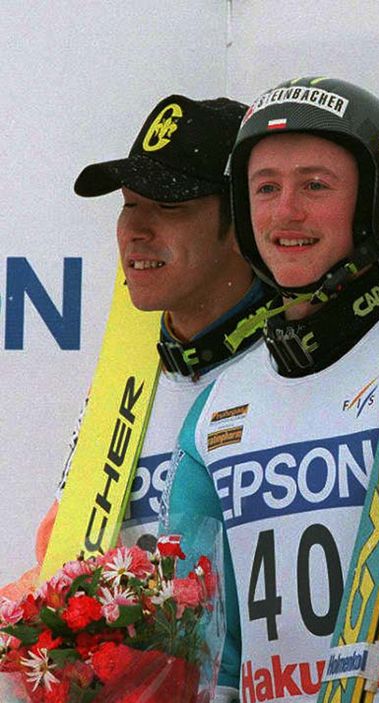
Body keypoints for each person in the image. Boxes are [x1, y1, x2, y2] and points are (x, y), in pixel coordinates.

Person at [162, 77, 379, 703]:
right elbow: (205, 635)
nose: (286, 212)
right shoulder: (217, 410)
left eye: (316, 185)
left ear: (377, 204)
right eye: (265, 188)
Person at [1, 94, 270, 598]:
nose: (136, 231)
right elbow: (62, 565)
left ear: (245, 225)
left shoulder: (295, 370)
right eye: (129, 205)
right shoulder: (128, 373)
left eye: (169, 206)